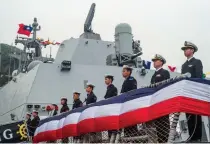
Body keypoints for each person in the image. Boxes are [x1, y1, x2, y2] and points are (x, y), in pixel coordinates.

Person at [181, 41, 203, 142]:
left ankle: (197, 137)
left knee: (195, 115)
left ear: (192, 50)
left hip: (194, 92)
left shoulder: (197, 62)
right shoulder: (184, 65)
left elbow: (199, 77)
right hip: (186, 93)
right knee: (188, 115)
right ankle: (191, 136)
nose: (185, 51)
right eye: (184, 50)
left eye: (187, 49)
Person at [149, 54, 170, 143]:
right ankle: (160, 140)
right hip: (156, 101)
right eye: (153, 61)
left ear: (161, 62)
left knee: (164, 122)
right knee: (158, 123)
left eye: (156, 60)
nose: (154, 62)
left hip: (162, 100)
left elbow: (166, 86)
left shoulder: (165, 72)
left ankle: (166, 140)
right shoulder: (153, 75)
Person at [120, 65, 138, 137]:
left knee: (132, 124)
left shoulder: (132, 80)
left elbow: (132, 92)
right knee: (127, 124)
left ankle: (133, 139)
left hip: (130, 105)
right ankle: (127, 138)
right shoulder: (126, 81)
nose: (122, 73)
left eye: (124, 71)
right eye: (122, 71)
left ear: (129, 72)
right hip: (126, 106)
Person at [104, 74, 118, 139]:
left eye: (106, 79)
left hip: (111, 110)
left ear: (110, 80)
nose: (105, 80)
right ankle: (110, 139)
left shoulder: (113, 88)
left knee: (112, 128)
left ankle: (113, 139)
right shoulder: (109, 88)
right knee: (109, 127)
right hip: (108, 110)